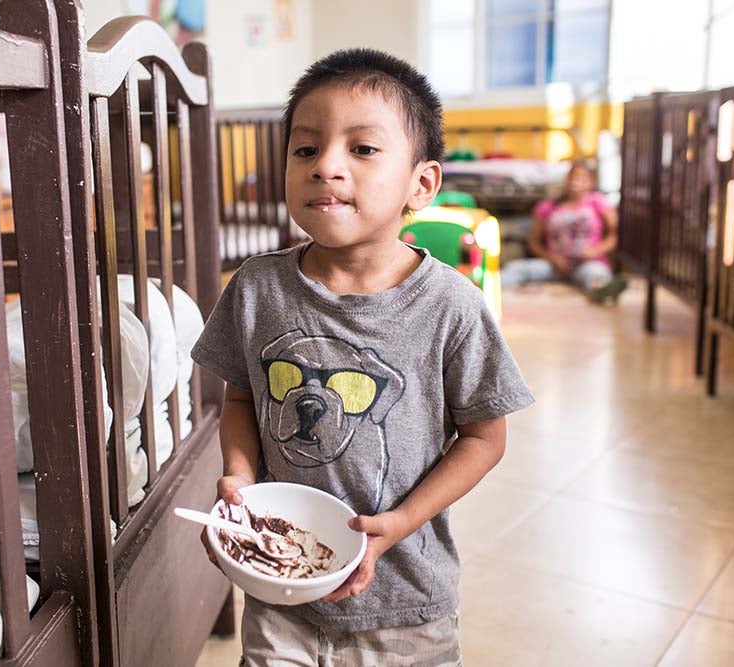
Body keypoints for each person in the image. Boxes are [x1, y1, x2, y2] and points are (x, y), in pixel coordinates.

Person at [191, 48, 534, 667]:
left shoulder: (451, 306)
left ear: (421, 183)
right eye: (305, 149)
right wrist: (241, 478)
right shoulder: (255, 288)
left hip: (406, 603)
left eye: (363, 149)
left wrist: (401, 521)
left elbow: (485, 437)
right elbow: (241, 397)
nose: (327, 167)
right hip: (283, 586)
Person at [500, 160, 628, 303]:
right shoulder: (548, 206)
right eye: (572, 176)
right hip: (555, 265)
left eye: (582, 177)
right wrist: (552, 258)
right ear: (566, 179)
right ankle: (483, 289)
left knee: (596, 275)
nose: (576, 181)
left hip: (588, 263)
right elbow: (534, 242)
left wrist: (595, 251)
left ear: (590, 182)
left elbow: (614, 235)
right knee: (518, 269)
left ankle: (600, 290)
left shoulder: (597, 202)